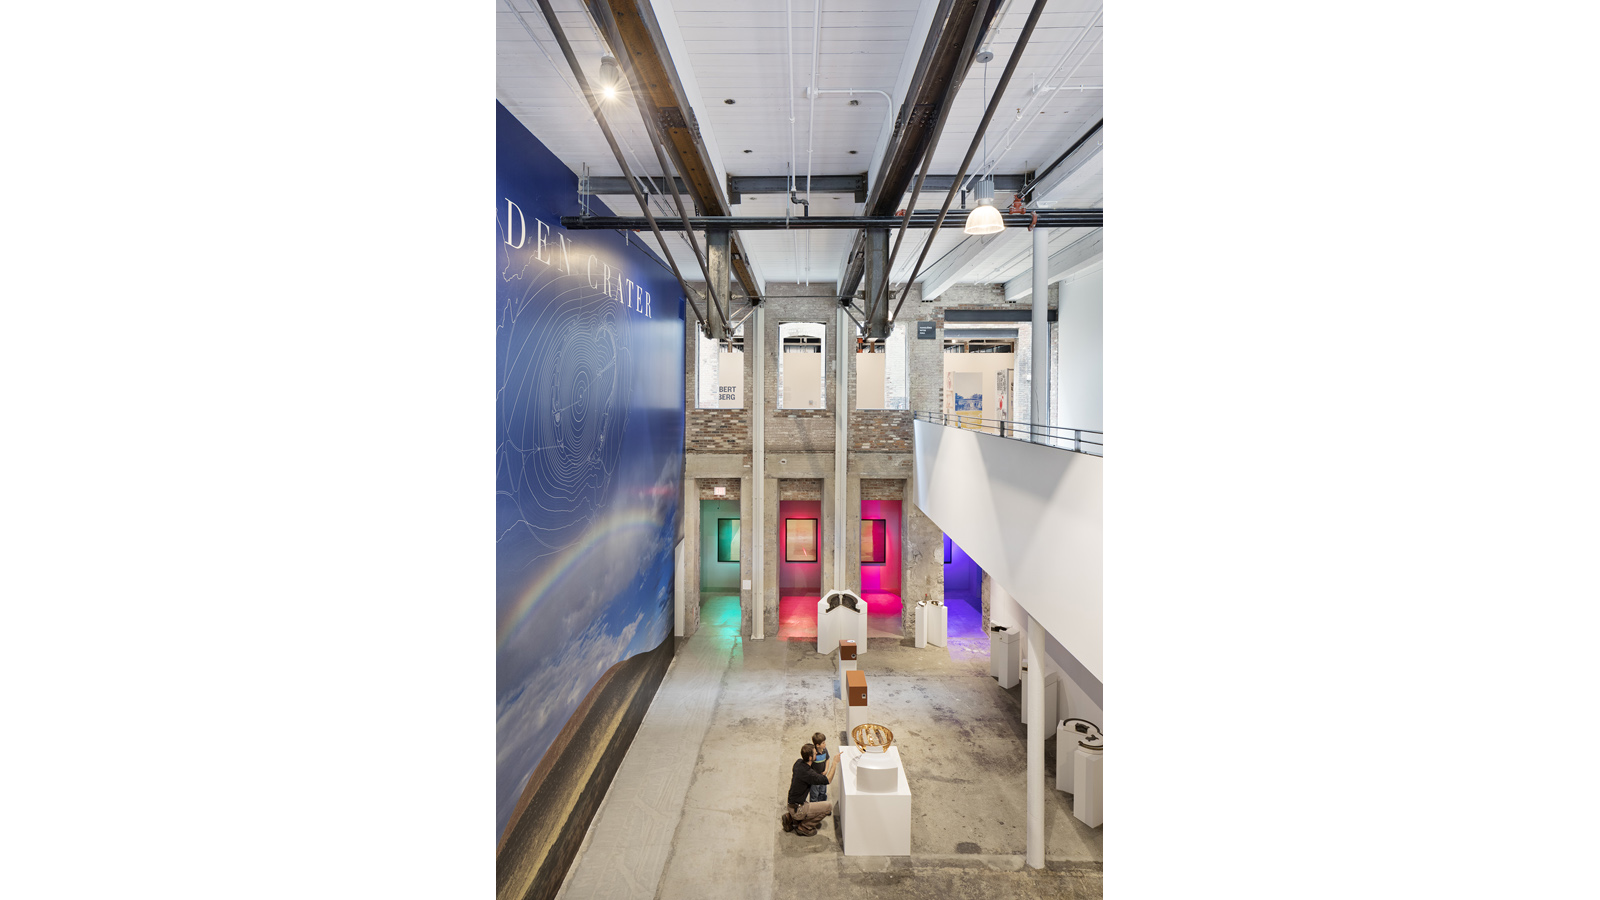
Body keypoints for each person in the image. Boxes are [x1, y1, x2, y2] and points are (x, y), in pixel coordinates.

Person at [783, 743, 833, 836]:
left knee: (810, 805)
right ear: (810, 758)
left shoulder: (798, 763)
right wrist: (834, 763)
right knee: (828, 807)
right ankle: (804, 826)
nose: (816, 754)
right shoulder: (809, 774)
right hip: (799, 808)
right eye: (815, 753)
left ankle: (790, 817)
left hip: (792, 804)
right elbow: (828, 780)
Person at [807, 732, 837, 803]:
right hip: (815, 779)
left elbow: (827, 759)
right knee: (814, 794)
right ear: (817, 745)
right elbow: (809, 765)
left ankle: (822, 807)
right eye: (823, 743)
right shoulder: (814, 753)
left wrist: (826, 770)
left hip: (823, 776)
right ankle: (814, 809)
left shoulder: (824, 750)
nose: (825, 744)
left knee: (823, 792)